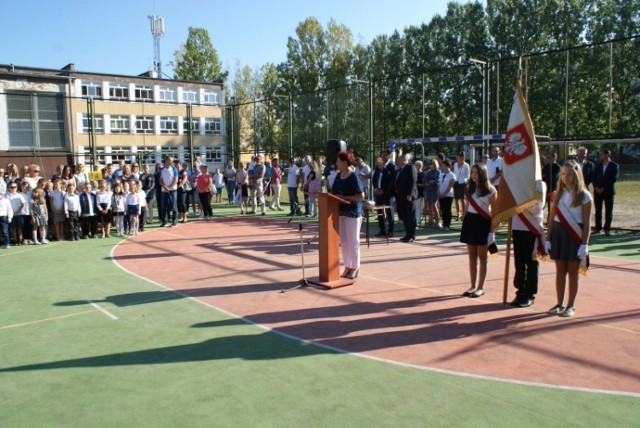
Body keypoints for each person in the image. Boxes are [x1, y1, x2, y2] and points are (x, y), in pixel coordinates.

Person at [545, 161, 592, 317]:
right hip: (559, 234)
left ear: (577, 175)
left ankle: (571, 305)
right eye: (563, 174)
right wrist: (548, 238)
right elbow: (551, 218)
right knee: (560, 270)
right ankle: (559, 303)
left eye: (569, 174)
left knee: (573, 272)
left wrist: (584, 244)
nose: (566, 177)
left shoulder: (584, 196)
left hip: (574, 235)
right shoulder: (558, 194)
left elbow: (587, 223)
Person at [460, 164, 497, 298]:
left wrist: (492, 232)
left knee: (482, 257)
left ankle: (481, 287)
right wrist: (464, 217)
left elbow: (495, 212)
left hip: (483, 222)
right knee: (471, 256)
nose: (473, 175)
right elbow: (467, 206)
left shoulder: (491, 190)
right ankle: (472, 285)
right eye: (472, 172)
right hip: (470, 221)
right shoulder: (469, 188)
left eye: (476, 172)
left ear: (482, 174)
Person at [510, 182, 546, 308]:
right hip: (517, 226)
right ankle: (520, 291)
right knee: (519, 262)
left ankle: (530, 294)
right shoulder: (517, 182)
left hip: (531, 227)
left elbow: (537, 207)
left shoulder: (539, 184)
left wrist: (519, 204)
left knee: (531, 262)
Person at [330, 151, 365, 280]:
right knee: (344, 242)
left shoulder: (353, 176)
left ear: (344, 162)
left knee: (353, 242)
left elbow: (361, 196)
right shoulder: (339, 175)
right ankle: (347, 266)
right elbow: (333, 192)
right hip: (341, 213)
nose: (336, 163)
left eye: (338, 161)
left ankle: (355, 267)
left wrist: (344, 197)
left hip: (353, 213)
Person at [592, 148, 619, 235]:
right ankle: (598, 227)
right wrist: (596, 187)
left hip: (608, 191)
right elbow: (594, 177)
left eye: (602, 154)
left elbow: (613, 179)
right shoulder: (598, 165)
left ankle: (607, 229)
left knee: (608, 210)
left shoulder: (614, 166)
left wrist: (603, 188)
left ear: (607, 155)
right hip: (597, 191)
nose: (600, 156)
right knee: (598, 210)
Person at [395, 153, 418, 242]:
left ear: (404, 160)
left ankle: (412, 235)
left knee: (410, 215)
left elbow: (412, 181)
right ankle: (407, 233)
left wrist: (410, 194)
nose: (398, 160)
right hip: (401, 196)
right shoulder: (400, 169)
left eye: (399, 159)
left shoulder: (410, 167)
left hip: (408, 196)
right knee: (404, 215)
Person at [373, 150, 395, 237]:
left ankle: (390, 230)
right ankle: (382, 230)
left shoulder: (391, 166)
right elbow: (374, 178)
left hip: (387, 193)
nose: (382, 157)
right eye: (382, 155)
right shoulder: (378, 166)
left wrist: (384, 190)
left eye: (385, 155)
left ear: (389, 156)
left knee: (389, 212)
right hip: (378, 193)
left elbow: (391, 180)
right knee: (379, 211)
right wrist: (375, 188)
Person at [160, 156, 179, 227]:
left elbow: (176, 180)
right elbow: (160, 180)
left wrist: (170, 187)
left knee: (174, 206)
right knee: (164, 206)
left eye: (172, 161)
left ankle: (174, 222)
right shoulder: (162, 170)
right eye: (170, 160)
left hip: (173, 190)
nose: (171, 162)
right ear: (166, 160)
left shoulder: (174, 169)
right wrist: (164, 187)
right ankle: (164, 221)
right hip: (164, 190)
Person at [438, 160, 456, 231]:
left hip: (448, 195)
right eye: (442, 166)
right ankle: (444, 224)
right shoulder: (441, 174)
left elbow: (450, 186)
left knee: (447, 210)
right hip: (441, 195)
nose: (442, 167)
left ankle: (447, 225)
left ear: (448, 166)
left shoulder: (452, 175)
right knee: (442, 210)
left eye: (443, 166)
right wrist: (439, 193)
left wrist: (444, 194)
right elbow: (439, 184)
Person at [453, 152, 470, 221]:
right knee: (456, 200)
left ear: (462, 157)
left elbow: (468, 175)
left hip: (463, 183)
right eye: (457, 157)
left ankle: (464, 214)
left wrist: (465, 182)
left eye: (458, 157)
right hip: (456, 183)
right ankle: (458, 214)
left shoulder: (466, 165)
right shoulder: (455, 164)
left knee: (463, 200)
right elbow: (454, 173)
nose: (457, 158)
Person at [424, 159, 441, 227]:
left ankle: (438, 221)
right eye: (430, 164)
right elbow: (425, 180)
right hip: (428, 190)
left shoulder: (438, 172)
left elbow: (437, 181)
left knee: (434, 206)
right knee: (429, 206)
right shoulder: (427, 172)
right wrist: (429, 182)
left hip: (435, 190)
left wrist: (430, 182)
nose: (431, 165)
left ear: (435, 164)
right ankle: (430, 221)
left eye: (432, 164)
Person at [414, 160, 425, 226]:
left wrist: (416, 184)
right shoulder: (414, 173)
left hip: (419, 193)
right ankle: (414, 220)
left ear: (419, 166)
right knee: (414, 207)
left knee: (418, 207)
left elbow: (423, 184)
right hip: (414, 193)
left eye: (415, 165)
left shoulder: (422, 174)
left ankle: (417, 221)